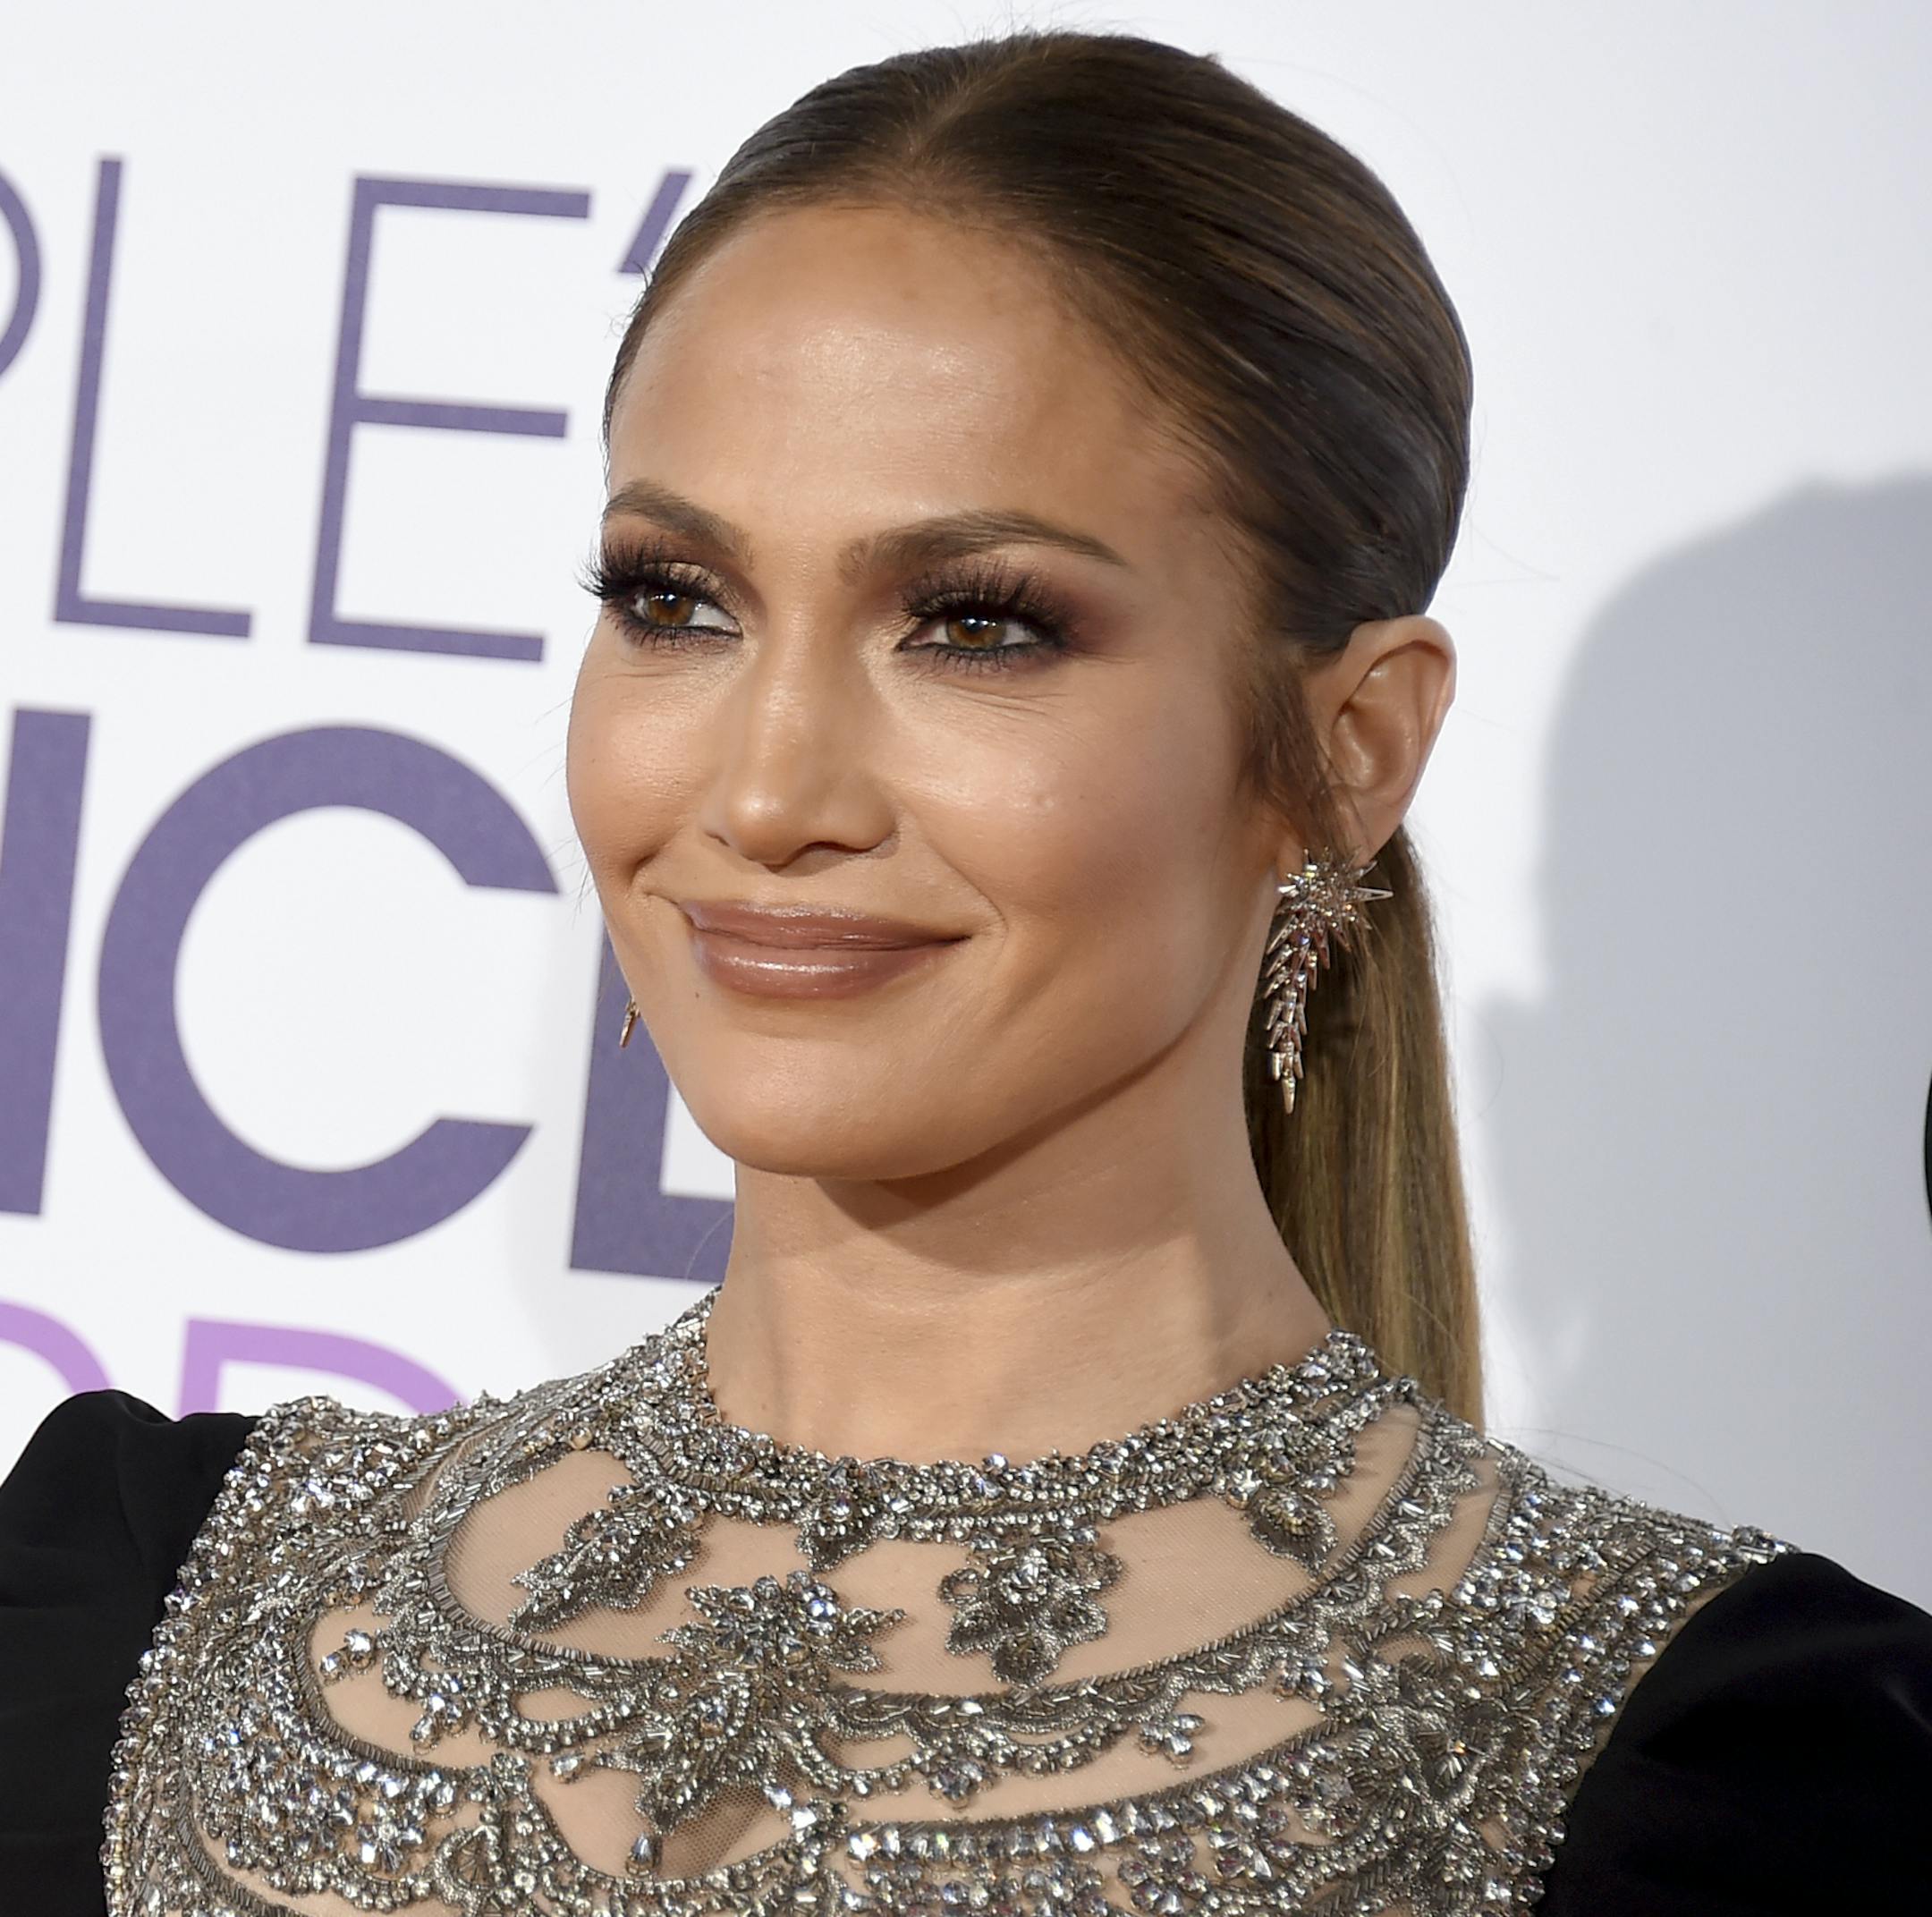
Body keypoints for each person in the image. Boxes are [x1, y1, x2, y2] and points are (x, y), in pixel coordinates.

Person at [4, 26, 1928, 1915]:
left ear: (1351, 746)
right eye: (674, 601)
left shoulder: (1711, 1767)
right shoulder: (152, 1594)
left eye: (978, 626)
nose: (765, 789)